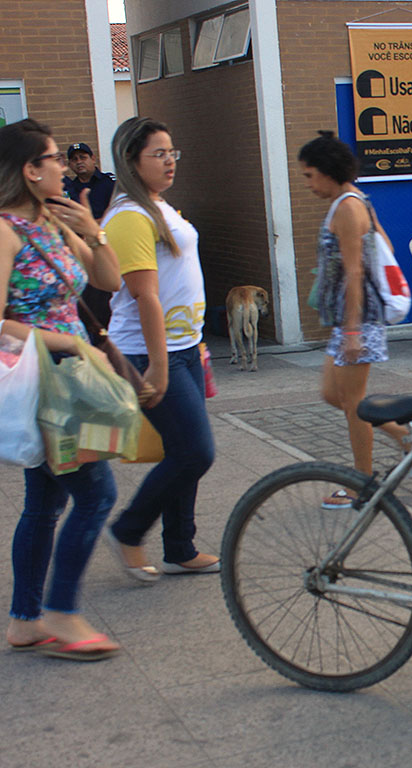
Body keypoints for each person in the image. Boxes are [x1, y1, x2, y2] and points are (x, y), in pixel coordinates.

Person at [0, 118, 122, 660]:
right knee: (97, 495)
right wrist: (68, 345)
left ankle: (26, 620)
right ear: (29, 171)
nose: (64, 165)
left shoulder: (54, 221)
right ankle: (60, 612)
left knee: (45, 502)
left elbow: (109, 281)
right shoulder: (4, 232)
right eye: (52, 158)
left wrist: (93, 228)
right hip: (45, 380)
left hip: (73, 379)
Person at [101, 117, 219, 580]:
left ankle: (180, 546)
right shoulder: (130, 215)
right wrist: (158, 365)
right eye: (159, 154)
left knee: (182, 448)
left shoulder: (158, 206)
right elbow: (144, 295)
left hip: (185, 345)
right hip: (150, 352)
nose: (170, 161)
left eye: (173, 152)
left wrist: (191, 345)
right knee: (195, 451)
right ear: (133, 160)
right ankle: (129, 530)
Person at [299, 131, 408, 509]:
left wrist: (351, 331)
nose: (309, 184)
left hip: (358, 322)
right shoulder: (357, 201)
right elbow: (386, 249)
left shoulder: (348, 207)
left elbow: (355, 272)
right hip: (352, 322)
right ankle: (407, 437)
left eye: (310, 175)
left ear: (329, 172)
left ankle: (362, 483)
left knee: (355, 404)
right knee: (335, 395)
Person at [63, 142, 117, 329]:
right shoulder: (68, 188)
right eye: (74, 159)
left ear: (93, 159)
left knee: (108, 293)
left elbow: (114, 211)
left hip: (107, 243)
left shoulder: (109, 183)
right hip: (81, 248)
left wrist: (89, 226)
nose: (79, 162)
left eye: (83, 157)